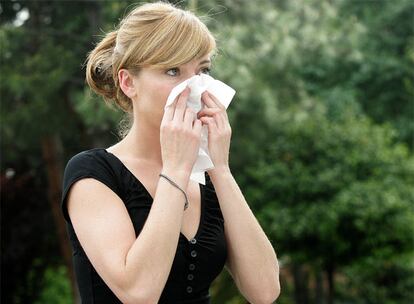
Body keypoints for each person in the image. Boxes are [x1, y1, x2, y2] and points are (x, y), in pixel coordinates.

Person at [61, 2, 280, 303]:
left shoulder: (207, 178)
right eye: (173, 70)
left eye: (202, 70)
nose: (193, 87)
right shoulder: (93, 174)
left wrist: (220, 167)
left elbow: (265, 291)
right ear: (128, 82)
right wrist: (176, 169)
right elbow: (139, 293)